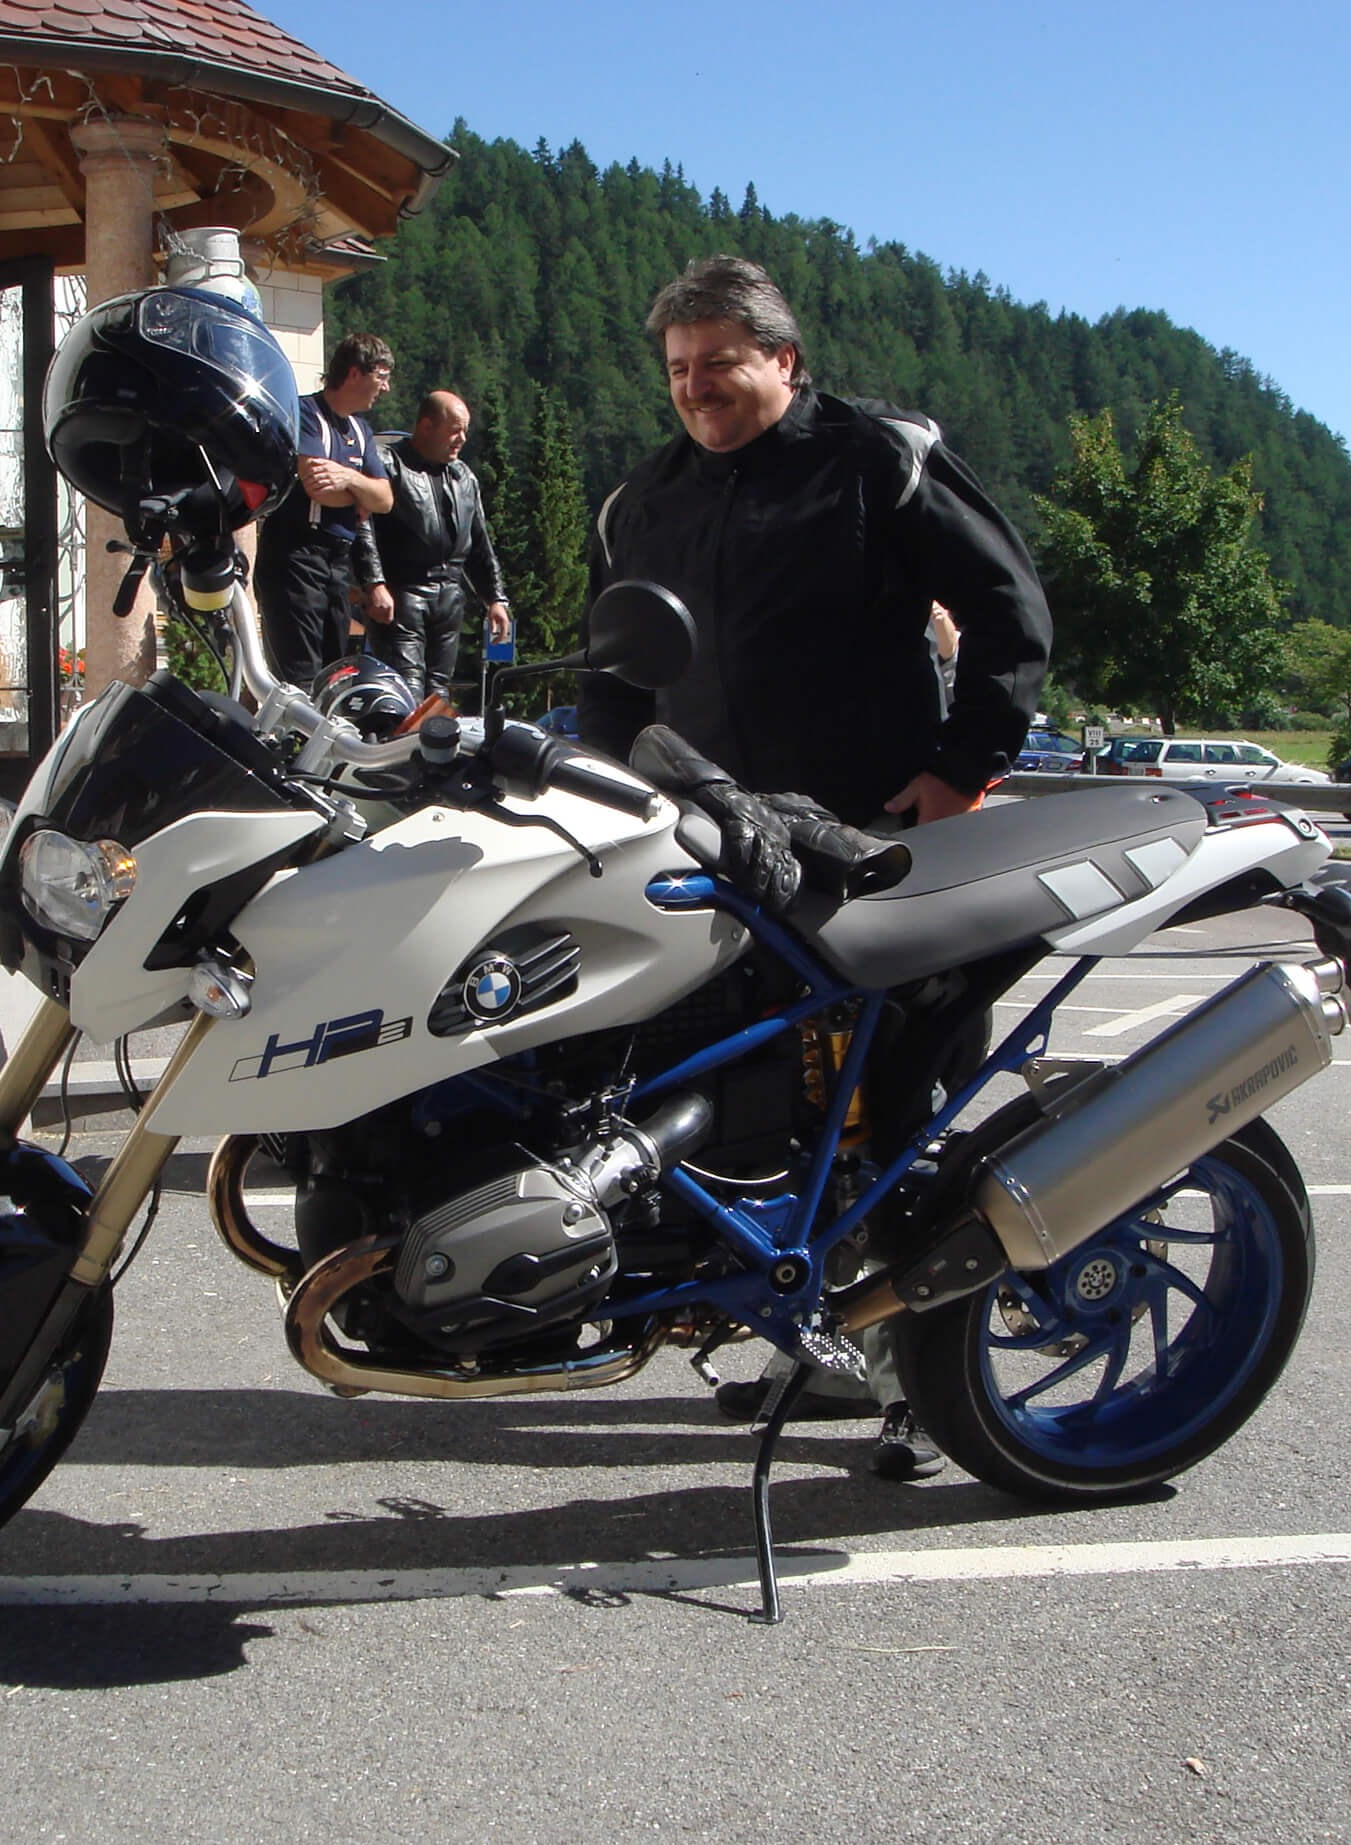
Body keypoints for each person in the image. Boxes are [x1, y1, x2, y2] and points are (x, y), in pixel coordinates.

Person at [578, 255, 1054, 1481]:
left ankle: (921, 1379)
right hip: (708, 855)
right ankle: (808, 1343)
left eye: (720, 366)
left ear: (783, 361)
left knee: (900, 1113)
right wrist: (588, 794)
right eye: (679, 372)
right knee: (758, 1119)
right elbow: (612, 680)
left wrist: (961, 768)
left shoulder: (874, 461)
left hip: (871, 846)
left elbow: (1007, 610)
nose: (697, 391)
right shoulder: (646, 500)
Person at [254, 333, 394, 689]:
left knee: (335, 675)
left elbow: (386, 499)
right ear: (353, 374)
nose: (387, 388)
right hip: (295, 556)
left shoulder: (361, 432)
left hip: (337, 562)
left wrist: (348, 478)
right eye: (381, 376)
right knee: (299, 677)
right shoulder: (305, 413)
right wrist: (361, 494)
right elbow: (318, 488)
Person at [355, 390, 512, 701]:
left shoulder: (463, 476)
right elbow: (363, 526)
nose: (462, 438)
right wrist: (374, 583)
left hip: (450, 598)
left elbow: (480, 543)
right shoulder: (388, 464)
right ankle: (398, 747)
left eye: (465, 430)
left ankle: (427, 749)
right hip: (403, 593)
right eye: (455, 429)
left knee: (438, 693)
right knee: (406, 689)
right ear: (426, 426)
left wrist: (495, 598)